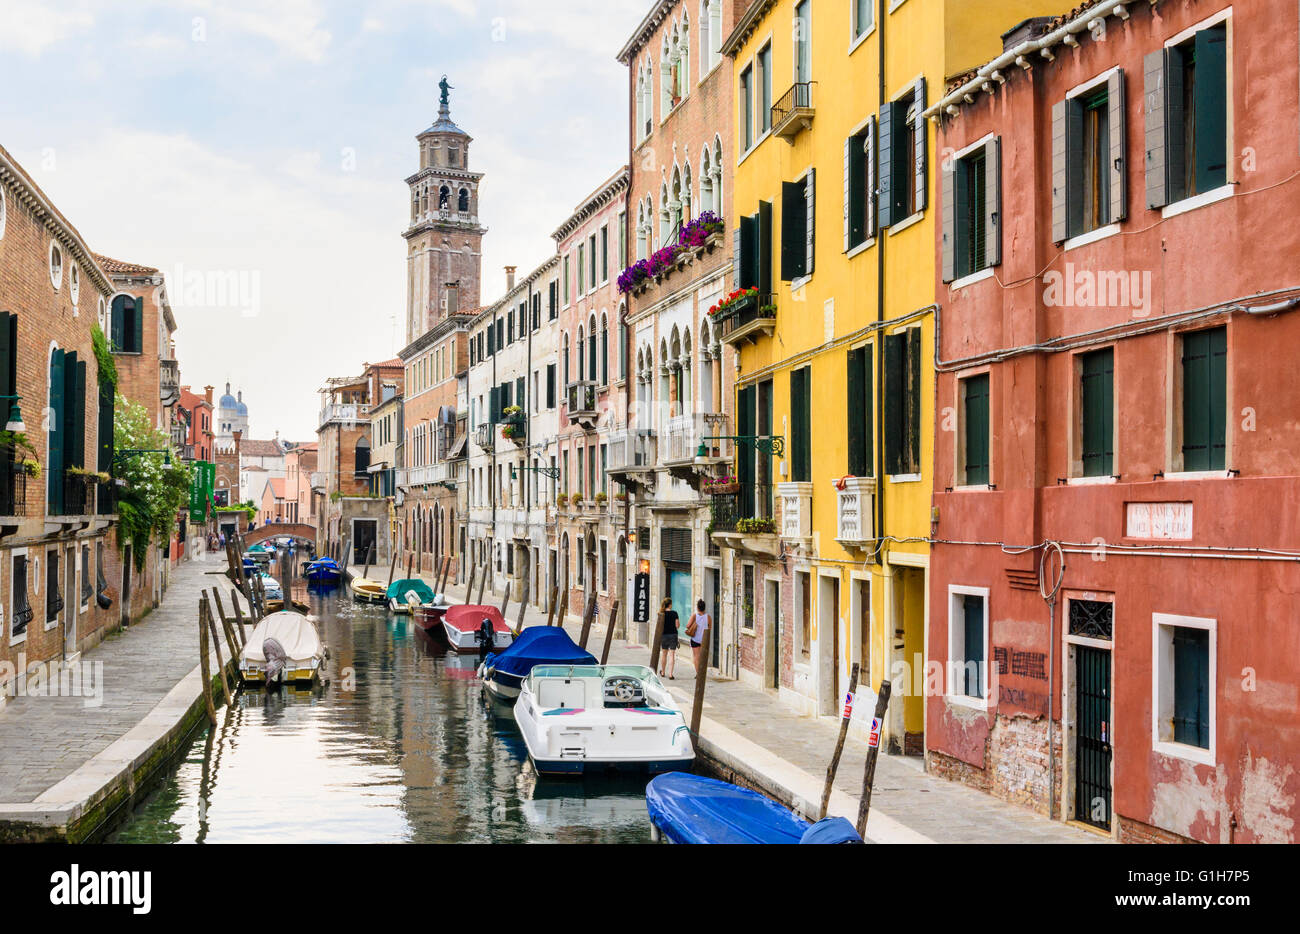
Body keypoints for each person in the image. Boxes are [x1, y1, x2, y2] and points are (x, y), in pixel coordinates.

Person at [688, 598, 711, 673]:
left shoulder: (694, 616)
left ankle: (698, 673)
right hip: (704, 640)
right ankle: (702, 672)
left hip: (695, 639)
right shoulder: (708, 617)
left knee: (696, 657)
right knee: (702, 657)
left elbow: (688, 626)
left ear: (697, 607)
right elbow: (709, 628)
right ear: (704, 608)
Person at [658, 597, 679, 679]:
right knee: (672, 654)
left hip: (664, 635)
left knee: (664, 654)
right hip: (673, 635)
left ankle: (663, 672)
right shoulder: (674, 613)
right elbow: (677, 626)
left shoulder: (661, 613)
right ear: (670, 605)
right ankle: (670, 674)